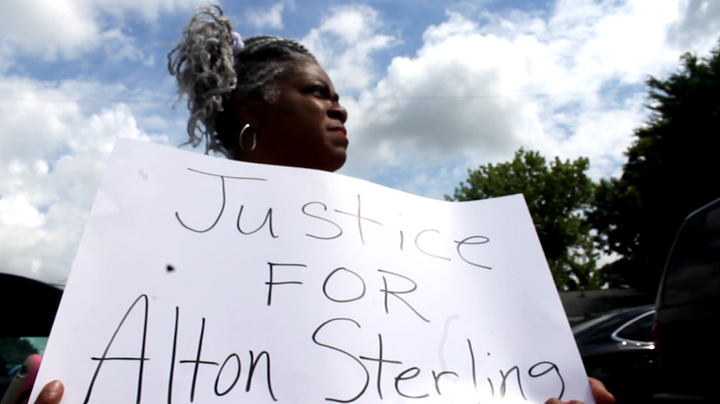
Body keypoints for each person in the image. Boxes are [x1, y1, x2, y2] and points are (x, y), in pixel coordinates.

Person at [30, 5, 614, 404]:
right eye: (317, 93)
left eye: (337, 97)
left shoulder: (416, 248)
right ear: (252, 109)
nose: (340, 109)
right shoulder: (157, 242)